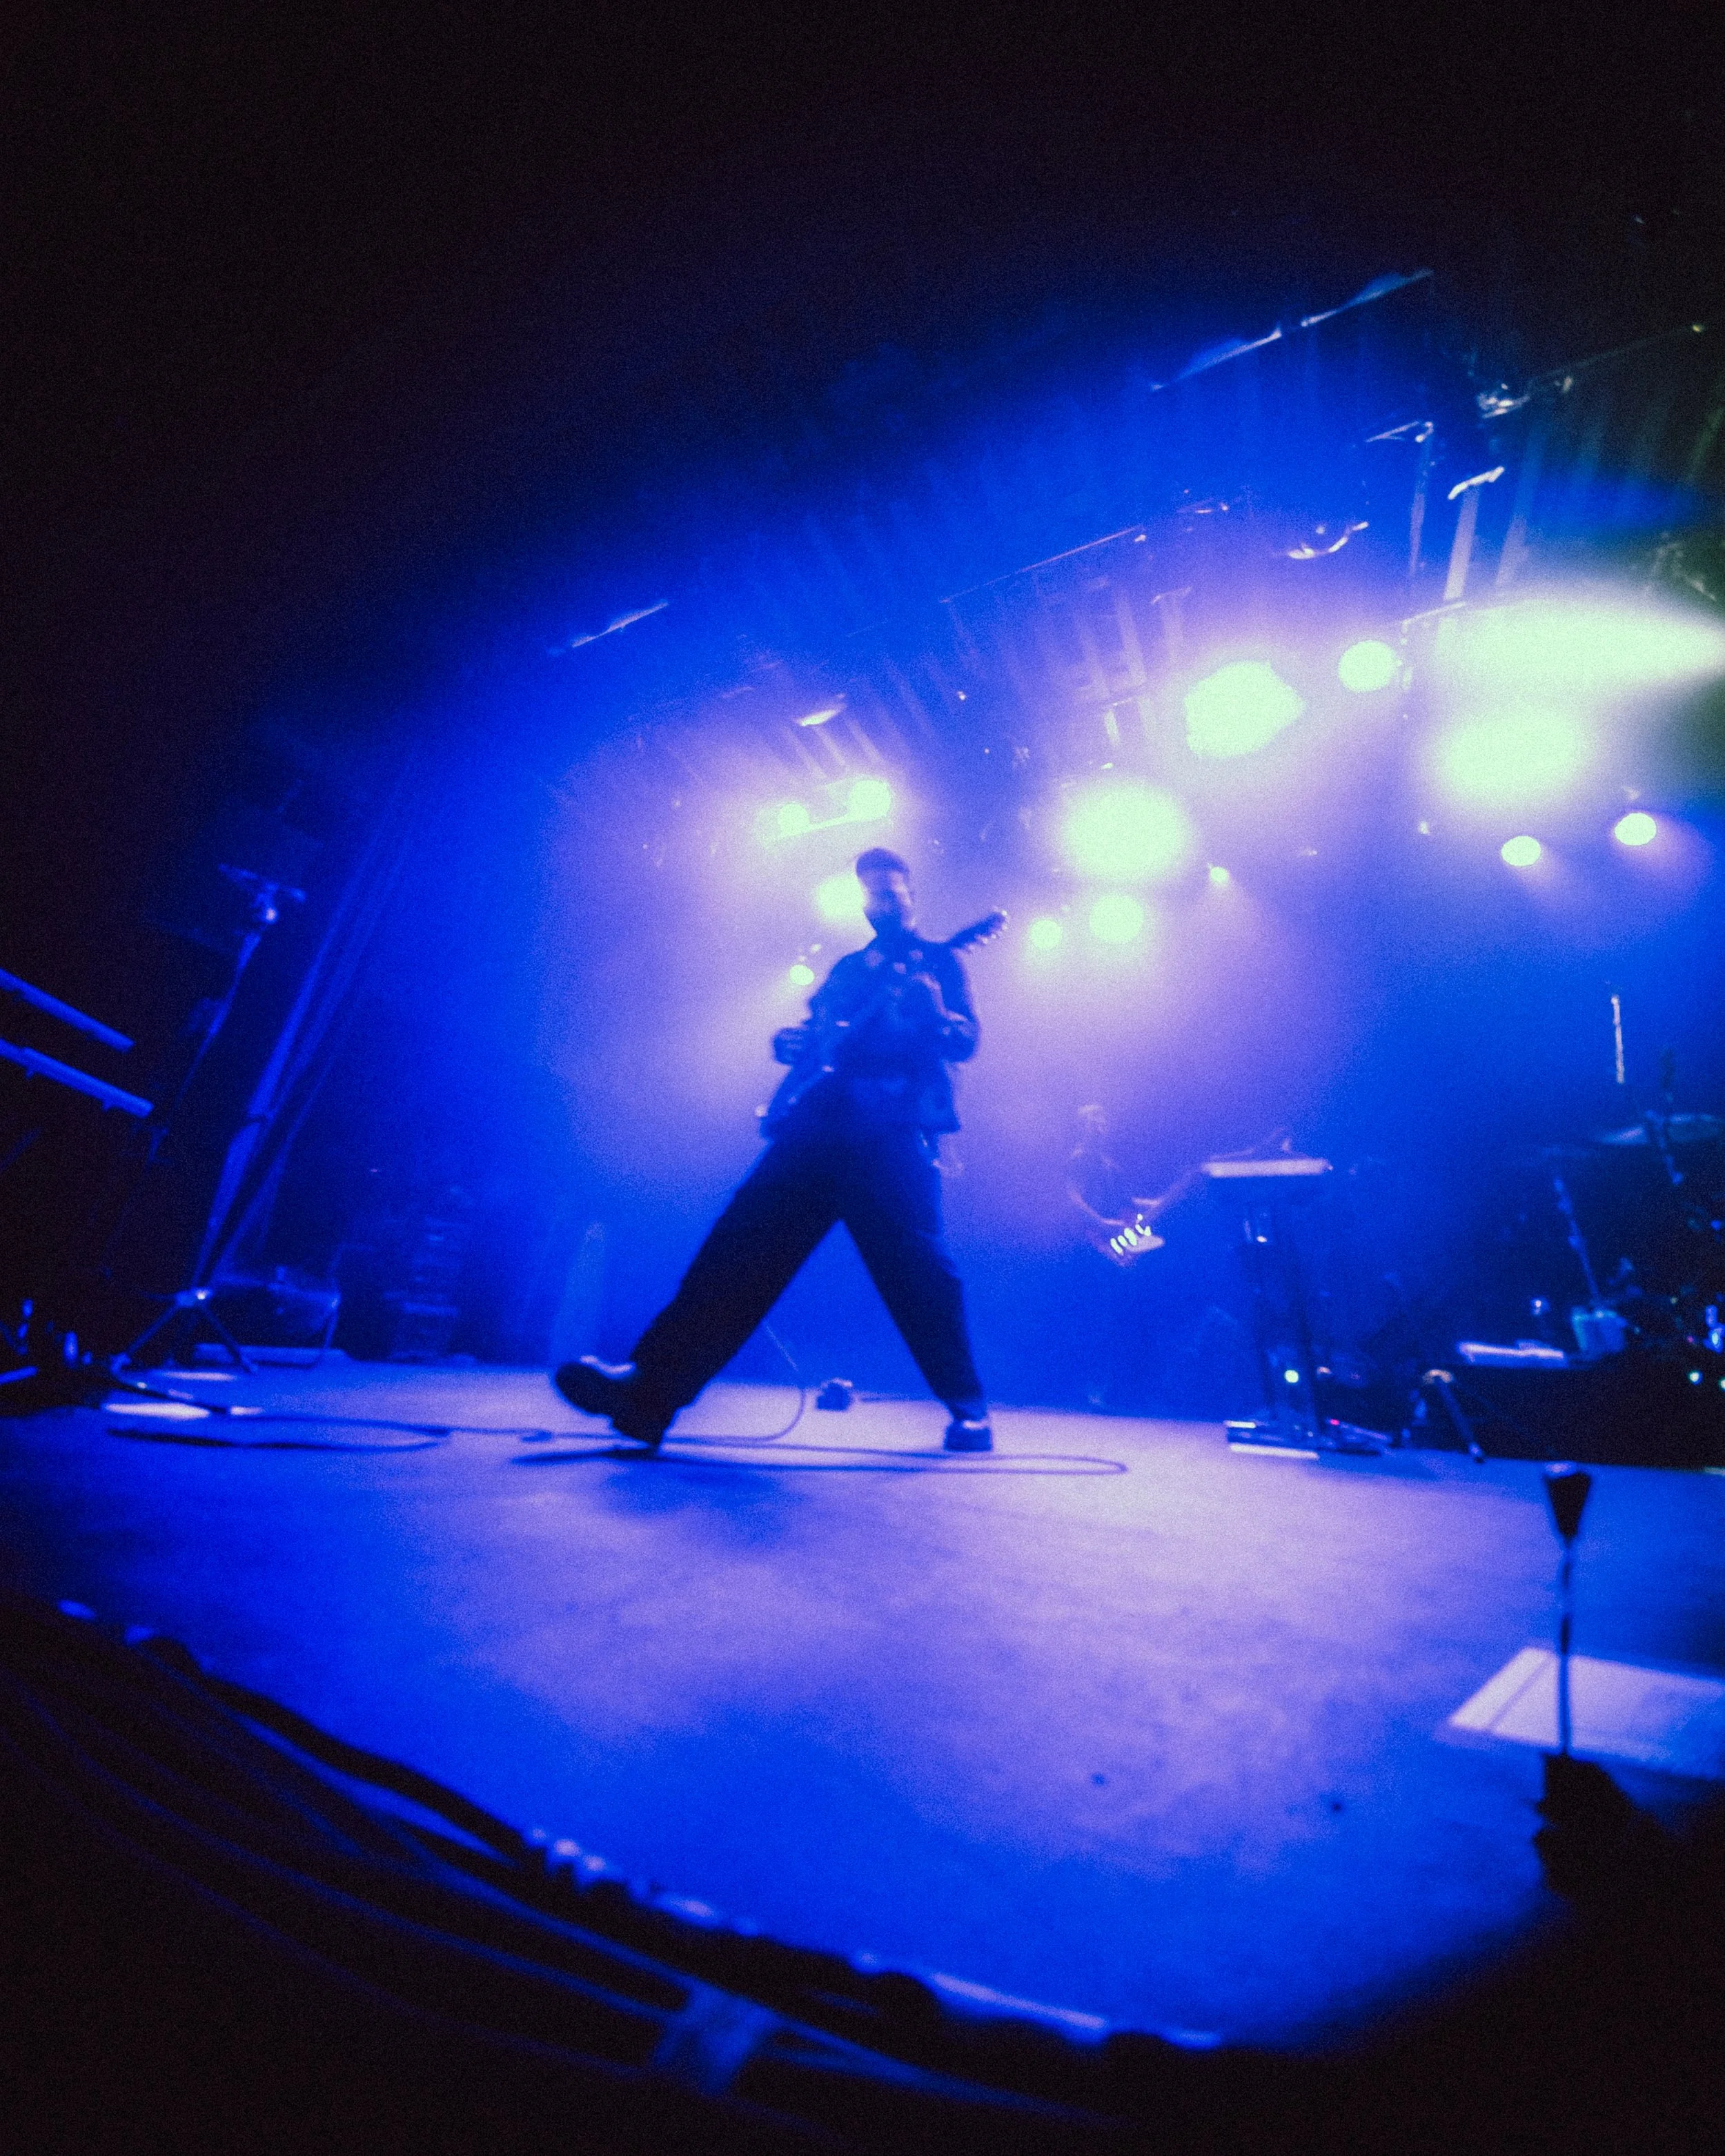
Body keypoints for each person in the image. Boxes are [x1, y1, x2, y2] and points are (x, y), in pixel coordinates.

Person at [553, 847, 994, 1451]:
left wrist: (935, 1012)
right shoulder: (847, 969)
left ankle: (969, 1409)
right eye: (871, 893)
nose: (881, 903)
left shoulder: (939, 961)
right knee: (736, 1251)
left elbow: (964, 1040)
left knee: (920, 1276)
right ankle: (647, 1394)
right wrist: (794, 1041)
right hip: (814, 1128)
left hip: (892, 1132)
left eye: (892, 892)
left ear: (912, 895)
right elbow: (819, 1036)